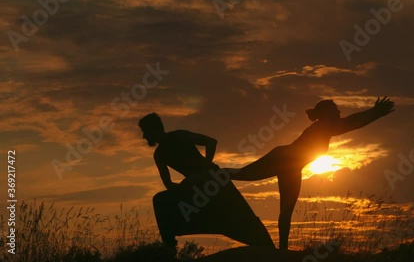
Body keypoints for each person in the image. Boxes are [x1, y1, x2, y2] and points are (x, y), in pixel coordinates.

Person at [223, 97, 395, 250]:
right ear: (327, 112)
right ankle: (215, 173)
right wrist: (374, 112)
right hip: (283, 158)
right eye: (335, 108)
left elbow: (351, 123)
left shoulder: (325, 127)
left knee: (286, 209)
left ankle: (283, 251)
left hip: (292, 168)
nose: (339, 111)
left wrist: (375, 114)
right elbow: (352, 122)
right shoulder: (324, 126)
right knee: (244, 174)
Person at [139, 113, 274, 258]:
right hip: (195, 187)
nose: (144, 137)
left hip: (214, 181)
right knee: (160, 200)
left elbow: (211, 142)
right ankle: (170, 247)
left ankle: (271, 251)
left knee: (247, 221)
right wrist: (185, 186)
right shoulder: (159, 155)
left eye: (145, 132)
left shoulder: (180, 136)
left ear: (153, 130)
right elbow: (168, 184)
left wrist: (205, 167)